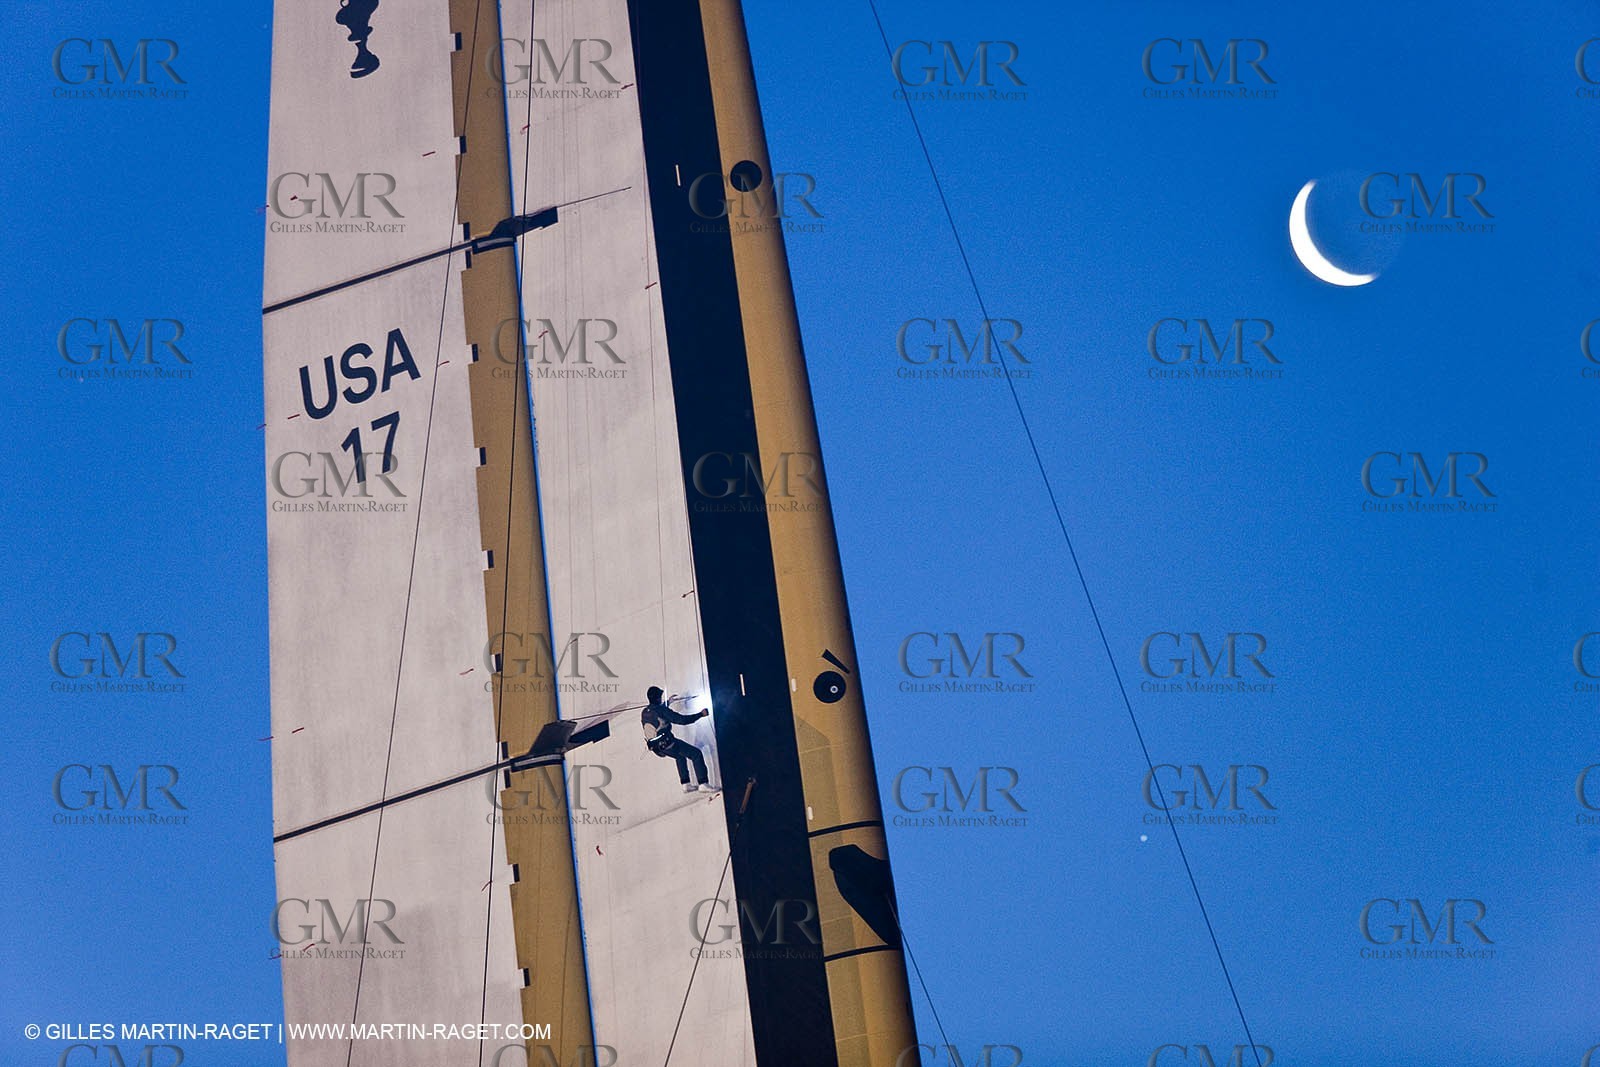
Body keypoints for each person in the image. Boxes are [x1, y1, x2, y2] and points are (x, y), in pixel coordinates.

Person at [641, 686, 715, 793]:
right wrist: (700, 714)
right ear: (658, 698)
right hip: (668, 743)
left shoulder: (645, 712)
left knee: (680, 756)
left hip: (658, 748)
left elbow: (657, 712)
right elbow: (681, 720)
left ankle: (686, 784)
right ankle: (703, 784)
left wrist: (668, 702)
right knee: (696, 754)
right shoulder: (661, 710)